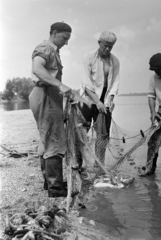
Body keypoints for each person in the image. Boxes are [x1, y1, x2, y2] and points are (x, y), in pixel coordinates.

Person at [29, 22, 82, 198]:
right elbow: (37, 68)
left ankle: (49, 183)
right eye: (64, 38)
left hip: (46, 95)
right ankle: (56, 188)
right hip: (46, 96)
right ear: (55, 33)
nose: (66, 43)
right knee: (54, 140)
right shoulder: (45, 48)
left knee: (45, 139)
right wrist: (59, 84)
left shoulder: (53, 50)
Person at [79, 31, 120, 166]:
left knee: (102, 135)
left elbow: (115, 82)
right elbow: (86, 83)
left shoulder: (115, 61)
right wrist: (97, 101)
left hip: (105, 102)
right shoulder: (88, 57)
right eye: (105, 46)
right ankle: (78, 165)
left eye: (110, 47)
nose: (107, 49)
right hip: (87, 100)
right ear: (99, 43)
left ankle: (99, 166)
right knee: (82, 133)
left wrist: (110, 99)